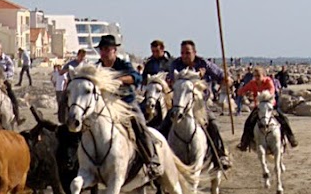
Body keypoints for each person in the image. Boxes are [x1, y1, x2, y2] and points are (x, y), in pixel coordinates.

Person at [95, 34, 161, 179]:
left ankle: (152, 159)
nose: (104, 52)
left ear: (114, 51)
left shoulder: (122, 65)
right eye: (102, 49)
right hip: (105, 105)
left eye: (107, 49)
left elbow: (136, 77)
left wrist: (119, 80)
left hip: (126, 103)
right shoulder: (97, 67)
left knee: (140, 124)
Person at [165, 40, 236, 169]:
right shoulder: (176, 64)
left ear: (194, 52)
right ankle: (160, 156)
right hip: (180, 103)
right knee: (164, 124)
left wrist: (226, 79)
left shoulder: (203, 64)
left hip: (200, 104)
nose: (185, 55)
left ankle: (220, 155)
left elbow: (222, 77)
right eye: (182, 53)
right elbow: (170, 80)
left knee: (213, 124)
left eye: (188, 52)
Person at [236, 66, 299, 149]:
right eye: (255, 76)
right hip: (259, 107)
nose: (257, 78)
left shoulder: (268, 81)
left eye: (258, 76)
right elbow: (241, 91)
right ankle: (244, 143)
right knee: (248, 122)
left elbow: (271, 92)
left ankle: (291, 139)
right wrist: (242, 91)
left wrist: (264, 97)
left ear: (263, 75)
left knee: (284, 119)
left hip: (270, 105)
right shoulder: (252, 83)